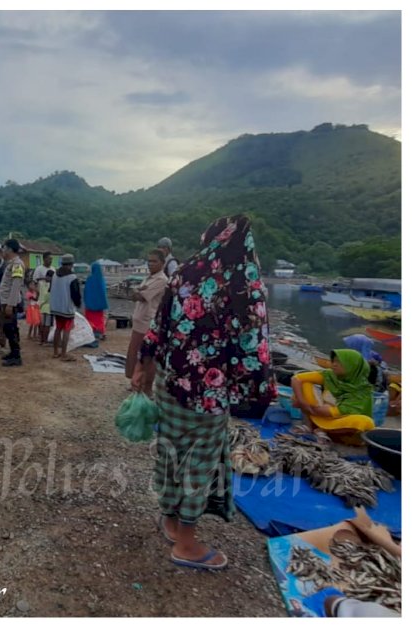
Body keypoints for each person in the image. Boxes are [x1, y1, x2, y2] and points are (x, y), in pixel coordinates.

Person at [133, 214, 275, 571]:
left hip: (170, 381)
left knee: (169, 452)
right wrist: (257, 392)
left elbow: (160, 324)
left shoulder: (184, 272)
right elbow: (254, 343)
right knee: (198, 463)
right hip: (208, 393)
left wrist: (144, 364)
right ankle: (185, 543)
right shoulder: (245, 280)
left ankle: (168, 520)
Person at [291, 349, 375, 445]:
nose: (334, 364)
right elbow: (297, 378)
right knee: (305, 384)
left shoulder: (363, 390)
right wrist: (302, 401)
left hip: (340, 423)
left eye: (339, 362)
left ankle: (322, 430)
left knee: (366, 422)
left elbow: (339, 412)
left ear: (352, 366)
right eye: (334, 361)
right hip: (320, 413)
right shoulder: (330, 375)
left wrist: (308, 406)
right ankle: (310, 426)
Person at [125, 249, 169, 395]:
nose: (151, 264)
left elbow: (140, 296)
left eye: (154, 261)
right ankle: (136, 383)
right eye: (149, 261)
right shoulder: (149, 278)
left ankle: (146, 387)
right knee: (136, 353)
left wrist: (136, 291)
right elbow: (135, 295)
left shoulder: (161, 280)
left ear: (162, 263)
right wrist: (136, 291)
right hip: (139, 321)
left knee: (147, 357)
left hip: (147, 323)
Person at [49, 253, 82, 362]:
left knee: (58, 328)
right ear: (71, 264)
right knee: (66, 330)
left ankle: (55, 352)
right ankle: (64, 354)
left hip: (56, 307)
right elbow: (75, 294)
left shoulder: (54, 275)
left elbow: (51, 289)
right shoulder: (72, 277)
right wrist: (78, 304)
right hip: (66, 307)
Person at [0, 239, 26, 367]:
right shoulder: (11, 263)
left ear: (9, 249)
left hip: (10, 302)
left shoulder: (17, 264)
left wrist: (10, 304)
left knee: (11, 327)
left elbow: (16, 285)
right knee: (8, 327)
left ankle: (16, 355)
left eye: (4, 248)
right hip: (6, 301)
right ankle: (13, 352)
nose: (2, 251)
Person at [83, 261, 109, 342]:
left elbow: (86, 291)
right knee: (99, 319)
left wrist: (86, 301)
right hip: (99, 305)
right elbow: (103, 292)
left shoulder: (89, 279)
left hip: (90, 304)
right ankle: (101, 333)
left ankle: (92, 333)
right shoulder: (101, 279)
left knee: (90, 319)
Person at [37, 268, 55, 345]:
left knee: (42, 324)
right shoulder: (53, 286)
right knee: (47, 325)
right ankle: (45, 341)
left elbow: (37, 280)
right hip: (49, 308)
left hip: (42, 307)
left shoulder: (42, 284)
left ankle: (42, 340)